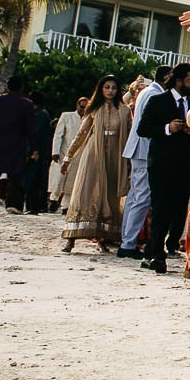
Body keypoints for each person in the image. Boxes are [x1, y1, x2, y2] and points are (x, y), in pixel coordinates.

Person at [138, 63, 190, 274]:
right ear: (178, 81)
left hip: (184, 165)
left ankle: (162, 247)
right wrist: (168, 128)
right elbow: (143, 129)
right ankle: (156, 255)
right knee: (160, 209)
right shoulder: (158, 101)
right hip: (161, 165)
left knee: (179, 209)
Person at [61, 76, 130, 253]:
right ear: (101, 89)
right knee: (85, 192)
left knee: (109, 196)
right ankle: (71, 238)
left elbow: (130, 136)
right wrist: (68, 157)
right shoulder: (94, 108)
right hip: (93, 153)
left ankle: (102, 238)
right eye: (107, 87)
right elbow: (81, 133)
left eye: (114, 88)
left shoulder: (124, 110)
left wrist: (130, 164)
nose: (110, 91)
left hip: (115, 156)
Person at [118, 67, 169, 257]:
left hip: (138, 148)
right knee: (142, 197)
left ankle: (127, 240)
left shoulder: (148, 92)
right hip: (143, 149)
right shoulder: (153, 94)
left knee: (135, 197)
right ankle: (128, 243)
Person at [0, 78, 37, 213]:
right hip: (15, 141)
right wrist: (34, 147)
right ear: (21, 87)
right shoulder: (26, 103)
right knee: (15, 175)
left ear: (7, 86)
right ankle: (11, 203)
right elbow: (29, 127)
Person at [51, 97, 89, 212]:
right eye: (81, 106)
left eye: (85, 107)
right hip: (64, 152)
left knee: (72, 180)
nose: (83, 109)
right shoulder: (66, 116)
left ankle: (65, 206)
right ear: (77, 105)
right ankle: (53, 199)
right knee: (58, 178)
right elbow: (58, 135)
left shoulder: (89, 119)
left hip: (79, 154)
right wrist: (55, 151)